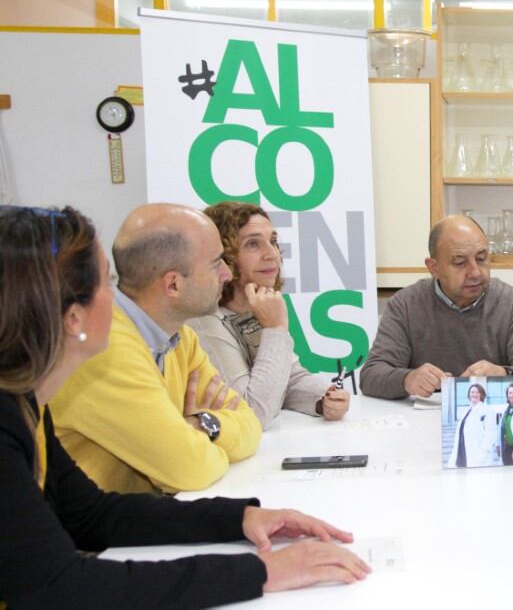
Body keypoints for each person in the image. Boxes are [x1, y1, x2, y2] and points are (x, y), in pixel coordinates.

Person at [0, 205, 369, 607]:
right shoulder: (17, 413)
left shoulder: (25, 403)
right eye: (107, 283)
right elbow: (59, 586)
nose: (120, 297)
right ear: (73, 318)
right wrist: (262, 571)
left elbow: (91, 515)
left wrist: (239, 519)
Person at [51, 204, 263, 494]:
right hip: (94, 535)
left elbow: (250, 424)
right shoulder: (104, 348)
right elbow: (189, 468)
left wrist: (203, 422)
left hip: (141, 523)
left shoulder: (180, 336)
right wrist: (196, 437)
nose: (227, 274)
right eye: (216, 263)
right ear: (173, 284)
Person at [187, 201, 349, 428]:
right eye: (253, 244)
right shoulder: (203, 322)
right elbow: (252, 413)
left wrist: (324, 398)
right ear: (222, 257)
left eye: (273, 242)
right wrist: (275, 329)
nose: (272, 254)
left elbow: (289, 378)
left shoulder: (258, 306)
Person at [361, 215, 513, 400]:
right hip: (422, 421)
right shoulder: (406, 305)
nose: (475, 272)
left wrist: (503, 374)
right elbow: (371, 375)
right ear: (434, 268)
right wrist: (407, 379)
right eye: (460, 263)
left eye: (482, 259)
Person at [446, 383, 499, 468]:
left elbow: (491, 433)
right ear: (469, 394)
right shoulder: (466, 411)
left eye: (478, 392)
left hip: (478, 453)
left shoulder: (487, 409)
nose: (474, 394)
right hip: (461, 449)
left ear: (482, 395)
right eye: (472, 392)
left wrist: (483, 452)